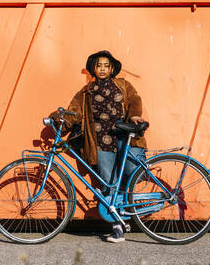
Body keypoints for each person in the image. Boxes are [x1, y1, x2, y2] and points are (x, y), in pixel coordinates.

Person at [51, 50, 147, 243]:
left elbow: (135, 99)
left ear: (112, 69)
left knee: (132, 171)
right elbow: (75, 113)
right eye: (98, 65)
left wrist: (135, 115)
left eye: (106, 65)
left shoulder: (124, 85)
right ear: (93, 69)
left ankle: (129, 206)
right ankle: (117, 226)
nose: (102, 69)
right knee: (108, 181)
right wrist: (59, 119)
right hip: (101, 141)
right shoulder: (86, 92)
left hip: (124, 136)